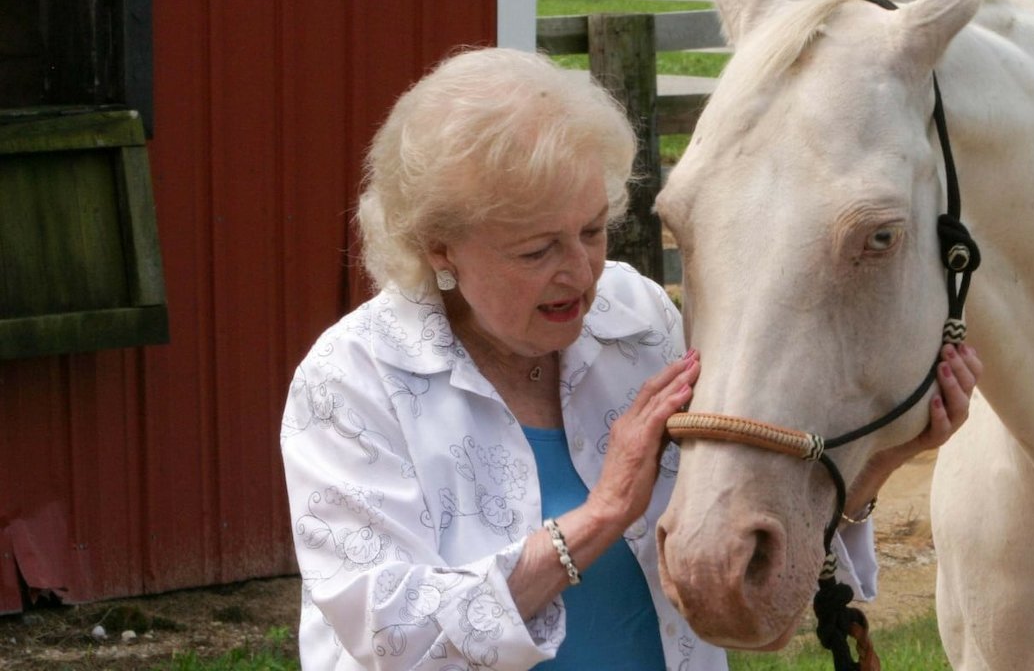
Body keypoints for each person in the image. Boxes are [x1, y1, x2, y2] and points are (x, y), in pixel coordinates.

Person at [279, 47, 982, 671]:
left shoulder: (638, 319)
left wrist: (885, 463)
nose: (580, 272)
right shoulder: (352, 382)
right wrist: (603, 512)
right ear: (440, 248)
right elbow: (391, 637)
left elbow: (738, 536)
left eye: (592, 230)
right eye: (537, 250)